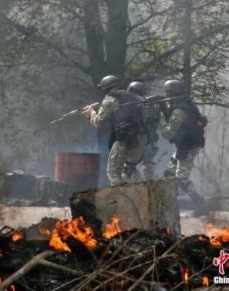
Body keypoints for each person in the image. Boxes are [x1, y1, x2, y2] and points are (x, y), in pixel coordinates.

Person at [82, 75, 148, 186]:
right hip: (140, 137)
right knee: (129, 168)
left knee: (113, 172)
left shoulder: (110, 98)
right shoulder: (130, 96)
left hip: (124, 138)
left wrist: (91, 113)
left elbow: (99, 122)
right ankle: (141, 193)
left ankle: (120, 199)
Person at [158, 79, 209, 217]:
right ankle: (166, 205)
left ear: (171, 94)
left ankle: (201, 205)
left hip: (188, 147)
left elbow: (168, 133)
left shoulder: (179, 110)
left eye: (166, 94)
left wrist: (161, 119)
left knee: (181, 178)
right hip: (185, 144)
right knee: (169, 173)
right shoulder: (186, 103)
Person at [126, 81, 161, 181]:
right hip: (151, 138)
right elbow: (157, 119)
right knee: (148, 163)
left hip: (137, 138)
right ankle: (150, 187)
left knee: (129, 167)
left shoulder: (132, 104)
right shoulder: (152, 104)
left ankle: (139, 187)